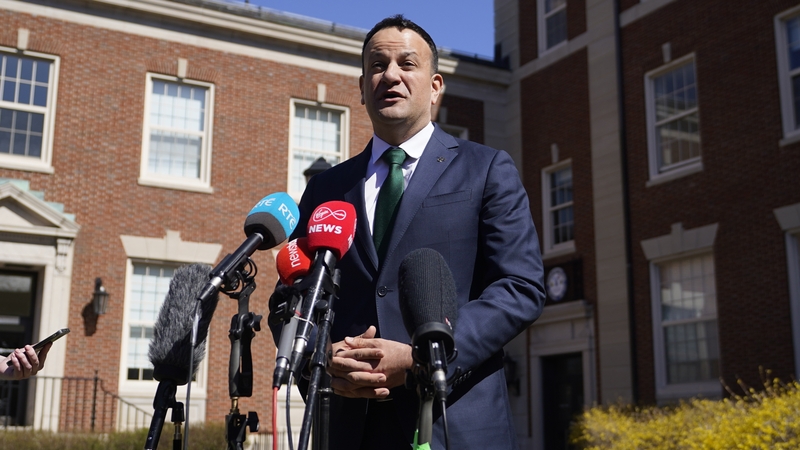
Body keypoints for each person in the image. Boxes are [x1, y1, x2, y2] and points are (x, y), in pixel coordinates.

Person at [278, 15, 545, 449]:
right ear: (362, 87)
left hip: (453, 421)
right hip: (349, 426)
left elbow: (520, 286)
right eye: (377, 65)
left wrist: (424, 352)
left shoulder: (487, 168)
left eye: (407, 63)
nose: (391, 75)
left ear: (436, 86)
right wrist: (321, 359)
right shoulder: (327, 188)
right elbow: (290, 296)